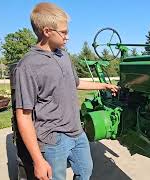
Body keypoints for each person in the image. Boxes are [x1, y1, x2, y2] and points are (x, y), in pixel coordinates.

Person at [14, 2, 119, 180]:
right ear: (47, 31)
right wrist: (38, 160)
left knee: (85, 171)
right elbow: (23, 115)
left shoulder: (63, 55)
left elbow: (75, 83)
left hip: (77, 132)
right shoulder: (28, 66)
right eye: (63, 32)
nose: (67, 37)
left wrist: (104, 85)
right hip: (53, 139)